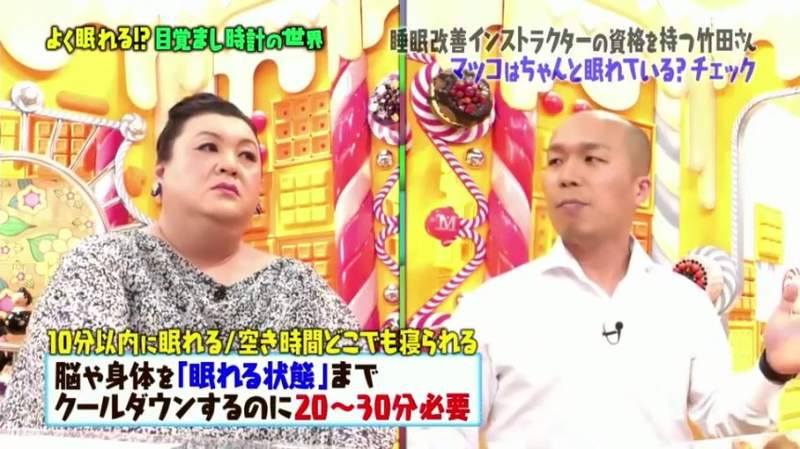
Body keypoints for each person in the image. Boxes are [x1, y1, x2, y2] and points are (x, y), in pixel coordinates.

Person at [0, 93, 396, 449]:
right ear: (161, 173)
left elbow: (363, 425)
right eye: (208, 147)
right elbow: (59, 406)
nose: (230, 165)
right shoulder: (102, 264)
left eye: (248, 156)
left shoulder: (299, 287)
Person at [408, 110, 800, 449]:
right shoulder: (488, 307)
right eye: (555, 161)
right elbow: (434, 430)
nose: (567, 176)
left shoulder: (685, 304)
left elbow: (724, 419)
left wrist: (773, 368)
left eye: (592, 159)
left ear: (641, 190)